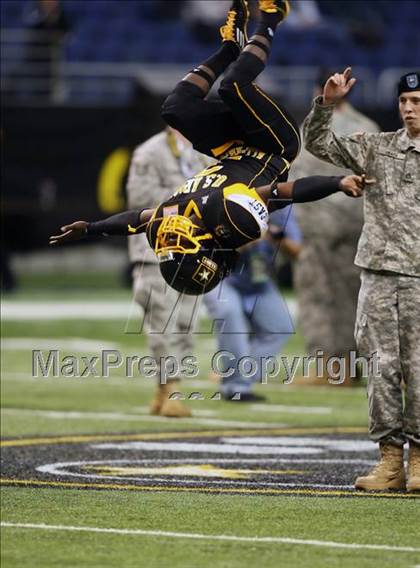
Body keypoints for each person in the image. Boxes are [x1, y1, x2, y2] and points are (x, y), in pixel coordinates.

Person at [50, 0, 370, 297]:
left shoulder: (178, 216)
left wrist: (91, 228)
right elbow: (287, 191)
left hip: (230, 147)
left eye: (168, 244)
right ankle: (272, 18)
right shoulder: (230, 217)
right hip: (273, 144)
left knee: (175, 109)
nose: (171, 236)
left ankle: (229, 48)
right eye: (179, 244)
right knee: (233, 86)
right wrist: (337, 183)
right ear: (204, 249)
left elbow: (136, 220)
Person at [303, 68, 420, 492]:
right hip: (377, 275)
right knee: (380, 369)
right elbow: (318, 143)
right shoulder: (378, 148)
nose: (409, 109)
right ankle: (390, 463)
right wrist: (326, 105)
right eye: (404, 102)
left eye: (417, 102)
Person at [289, 72, 380, 384]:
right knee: (354, 297)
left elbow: (297, 178)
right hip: (358, 224)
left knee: (318, 295)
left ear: (320, 91)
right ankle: (352, 367)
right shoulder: (369, 127)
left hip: (318, 225)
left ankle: (329, 368)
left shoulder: (311, 128)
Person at [127, 127, 211, 417]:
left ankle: (165, 390)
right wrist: (189, 198)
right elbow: (139, 199)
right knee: (163, 324)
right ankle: (170, 389)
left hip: (192, 251)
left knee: (187, 325)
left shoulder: (202, 152)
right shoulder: (149, 152)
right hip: (155, 252)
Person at [204, 206, 301, 401]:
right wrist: (245, 238)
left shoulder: (281, 209)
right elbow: (214, 249)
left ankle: (239, 378)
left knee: (281, 327)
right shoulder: (227, 202)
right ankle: (235, 387)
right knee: (230, 317)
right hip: (223, 278)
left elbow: (297, 250)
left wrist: (273, 237)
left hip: (259, 281)